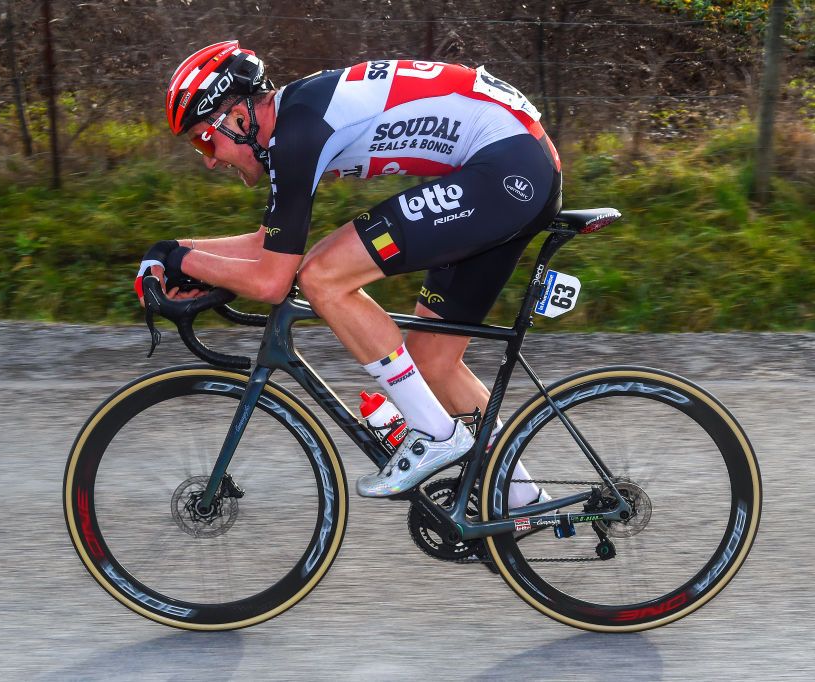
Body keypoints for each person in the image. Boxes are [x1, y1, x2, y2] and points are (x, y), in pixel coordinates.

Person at [139, 41, 562, 502]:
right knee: (431, 363)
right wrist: (179, 252)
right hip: (516, 168)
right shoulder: (294, 120)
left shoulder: (296, 133)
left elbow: (271, 279)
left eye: (205, 138)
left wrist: (177, 261)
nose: (208, 159)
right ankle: (524, 502)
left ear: (238, 118)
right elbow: (267, 246)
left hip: (506, 170)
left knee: (322, 275)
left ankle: (434, 435)